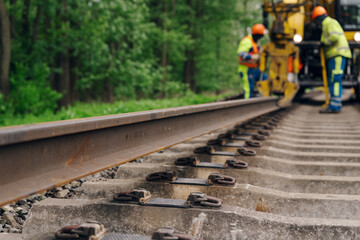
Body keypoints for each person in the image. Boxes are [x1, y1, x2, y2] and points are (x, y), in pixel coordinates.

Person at [312, 6, 352, 113]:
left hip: (337, 55)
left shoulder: (329, 23)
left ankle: (335, 106)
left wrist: (323, 42)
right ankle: (334, 104)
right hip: (334, 55)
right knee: (333, 79)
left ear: (318, 18)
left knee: (335, 79)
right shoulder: (327, 23)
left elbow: (334, 37)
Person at [237, 23, 267, 99]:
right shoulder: (247, 41)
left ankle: (263, 97)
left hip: (255, 69)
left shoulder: (256, 42)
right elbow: (241, 53)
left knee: (266, 80)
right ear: (256, 34)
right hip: (246, 69)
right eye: (259, 36)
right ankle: (246, 104)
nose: (260, 38)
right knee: (248, 88)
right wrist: (252, 57)